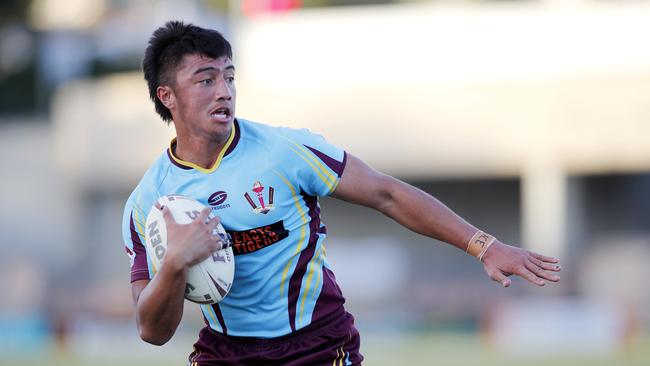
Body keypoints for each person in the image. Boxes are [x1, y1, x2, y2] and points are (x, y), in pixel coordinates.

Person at [121, 21, 561, 366]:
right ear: (168, 96)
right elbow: (152, 331)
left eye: (229, 77)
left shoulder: (285, 151)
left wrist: (482, 245)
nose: (225, 91)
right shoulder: (149, 203)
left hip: (317, 346)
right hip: (226, 353)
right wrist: (175, 263)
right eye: (205, 80)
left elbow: (386, 193)